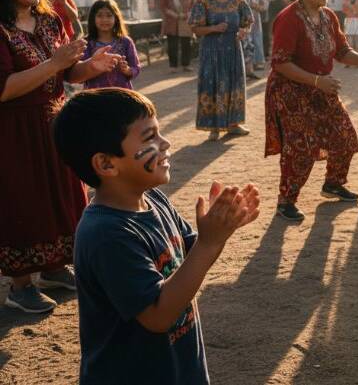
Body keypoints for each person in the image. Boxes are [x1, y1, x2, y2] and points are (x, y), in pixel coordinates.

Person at [53, 88, 260, 384]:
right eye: (150, 137)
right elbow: (157, 315)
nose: (166, 143)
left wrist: (220, 226)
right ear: (107, 164)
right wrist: (210, 241)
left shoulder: (154, 199)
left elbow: (190, 256)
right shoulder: (106, 235)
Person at [0, 0, 120, 314]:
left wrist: (90, 67)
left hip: (55, 123)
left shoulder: (50, 21)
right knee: (24, 201)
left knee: (63, 195)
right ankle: (20, 286)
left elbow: (65, 73)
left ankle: (54, 267)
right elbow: (4, 88)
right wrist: (56, 63)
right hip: (14, 131)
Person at [265, 0, 358, 222]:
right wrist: (317, 81)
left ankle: (333, 184)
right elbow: (280, 63)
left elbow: (341, 51)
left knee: (345, 137)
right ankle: (286, 200)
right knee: (301, 148)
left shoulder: (329, 16)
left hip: (320, 87)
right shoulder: (288, 18)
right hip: (290, 91)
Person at [189, 0, 253, 141]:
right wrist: (214, 28)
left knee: (234, 84)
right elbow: (195, 29)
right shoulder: (203, 2)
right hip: (211, 51)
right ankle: (214, 127)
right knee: (214, 85)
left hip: (233, 50)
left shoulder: (239, 1)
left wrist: (243, 31)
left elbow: (248, 22)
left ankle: (234, 124)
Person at [81, 0, 140, 89]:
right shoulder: (86, 44)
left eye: (109, 15)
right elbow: (79, 73)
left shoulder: (126, 42)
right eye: (100, 15)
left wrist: (127, 70)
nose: (104, 20)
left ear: (116, 18)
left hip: (122, 95)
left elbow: (136, 67)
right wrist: (93, 66)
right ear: (93, 18)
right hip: (94, 97)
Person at [236, 0, 270, 79]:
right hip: (244, 19)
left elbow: (264, 6)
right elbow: (241, 3)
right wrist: (254, 5)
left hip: (256, 19)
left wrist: (256, 6)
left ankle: (255, 64)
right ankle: (247, 67)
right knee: (246, 41)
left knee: (257, 40)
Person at [159, 0, 195, 73]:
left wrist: (188, 14)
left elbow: (194, 5)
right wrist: (174, 14)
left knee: (186, 44)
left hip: (185, 21)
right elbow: (163, 7)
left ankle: (186, 64)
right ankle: (173, 66)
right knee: (172, 45)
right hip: (172, 21)